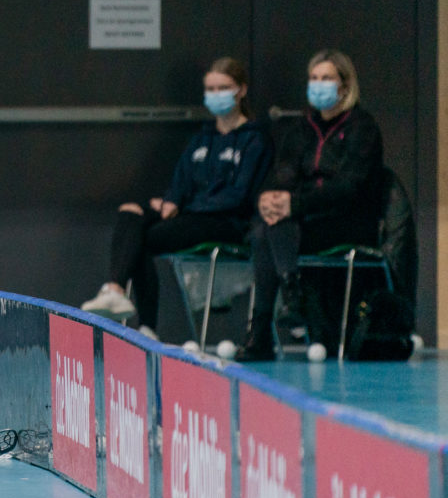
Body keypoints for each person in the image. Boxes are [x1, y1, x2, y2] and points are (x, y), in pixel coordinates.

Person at [81, 58, 272, 339]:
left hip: (227, 222)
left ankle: (136, 315)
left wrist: (182, 207)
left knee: (143, 240)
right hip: (189, 214)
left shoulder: (255, 140)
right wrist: (171, 200)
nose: (216, 94)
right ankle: (119, 295)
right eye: (211, 88)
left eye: (224, 87)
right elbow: (181, 180)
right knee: (131, 212)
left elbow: (239, 196)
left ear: (241, 90)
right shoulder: (201, 138)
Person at [236, 49, 384, 362]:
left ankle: (264, 330)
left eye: (327, 78)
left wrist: (294, 204)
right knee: (266, 227)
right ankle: (290, 297)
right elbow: (282, 173)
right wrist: (270, 197)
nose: (319, 84)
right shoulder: (302, 129)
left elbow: (349, 187)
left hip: (347, 220)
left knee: (271, 230)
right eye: (314, 78)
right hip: (304, 219)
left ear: (344, 85)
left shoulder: (362, 127)